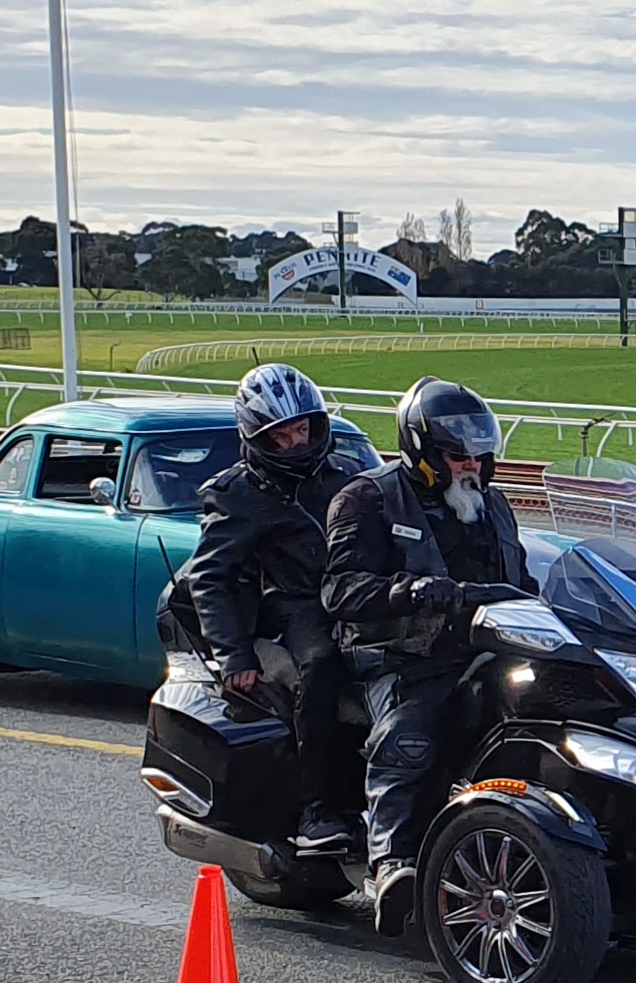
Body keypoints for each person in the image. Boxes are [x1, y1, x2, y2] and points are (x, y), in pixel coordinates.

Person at [324, 378, 536, 934]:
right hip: (399, 654)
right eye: (455, 456)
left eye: (478, 456)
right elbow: (340, 592)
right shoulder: (366, 498)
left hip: (488, 646)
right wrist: (408, 591)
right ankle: (392, 862)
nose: (469, 466)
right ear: (420, 450)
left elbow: (523, 582)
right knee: (411, 733)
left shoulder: (494, 506)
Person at [169, 364, 366, 860]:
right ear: (257, 437)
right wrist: (235, 656)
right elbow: (207, 579)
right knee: (321, 665)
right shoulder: (236, 492)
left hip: (361, 596)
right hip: (295, 602)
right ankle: (317, 809)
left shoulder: (347, 475)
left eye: (303, 429)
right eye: (282, 436)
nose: (297, 442)